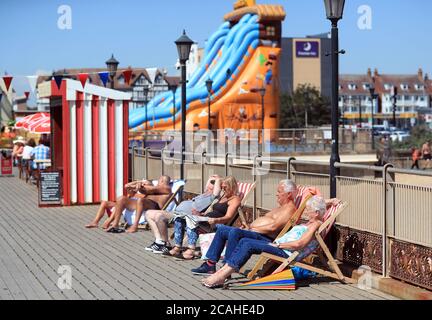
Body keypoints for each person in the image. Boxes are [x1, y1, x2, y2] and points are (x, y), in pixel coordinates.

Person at [201, 196, 332, 288]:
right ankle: (223, 272)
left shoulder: (315, 225)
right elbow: (318, 206)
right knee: (245, 240)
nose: (306, 211)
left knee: (248, 244)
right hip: (279, 246)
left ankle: (221, 275)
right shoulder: (310, 221)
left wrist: (279, 245)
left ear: (316, 213)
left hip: (285, 251)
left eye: (309, 210)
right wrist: (331, 201)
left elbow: (300, 244)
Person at [191, 179, 298, 276]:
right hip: (256, 232)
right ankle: (210, 264)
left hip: (265, 238)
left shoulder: (289, 210)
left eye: (279, 192)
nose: (276, 194)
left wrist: (251, 229)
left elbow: (273, 228)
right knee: (222, 229)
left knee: (235, 232)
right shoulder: (280, 208)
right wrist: (249, 226)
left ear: (288, 194)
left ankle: (225, 268)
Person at [167, 176, 241, 260]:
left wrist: (216, 220)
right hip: (206, 219)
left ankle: (191, 251)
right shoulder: (223, 196)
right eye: (222, 187)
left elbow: (228, 217)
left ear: (232, 186)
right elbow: (213, 210)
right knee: (179, 219)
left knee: (192, 221)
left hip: (215, 223)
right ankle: (177, 247)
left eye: (225, 187)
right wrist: (201, 214)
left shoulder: (235, 200)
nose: (223, 189)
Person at [144, 175, 222, 255]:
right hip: (177, 213)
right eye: (210, 182)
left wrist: (218, 179)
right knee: (148, 213)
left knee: (159, 216)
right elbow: (207, 186)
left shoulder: (212, 197)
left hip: (184, 216)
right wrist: (211, 178)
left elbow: (217, 190)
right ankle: (159, 241)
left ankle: (165, 244)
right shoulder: (204, 194)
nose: (210, 184)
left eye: (213, 182)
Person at [85, 176, 172, 233]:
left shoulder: (167, 188)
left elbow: (152, 189)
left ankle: (135, 226)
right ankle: (115, 224)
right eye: (160, 180)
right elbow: (137, 189)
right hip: (144, 202)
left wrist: (140, 186)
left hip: (154, 206)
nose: (159, 181)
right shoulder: (154, 188)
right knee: (121, 199)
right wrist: (138, 185)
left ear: (163, 181)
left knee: (141, 200)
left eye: (161, 180)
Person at [85, 179, 153, 229]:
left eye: (145, 184)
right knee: (104, 202)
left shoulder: (147, 194)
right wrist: (139, 182)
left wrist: (143, 186)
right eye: (143, 184)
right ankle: (95, 222)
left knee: (121, 202)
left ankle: (109, 221)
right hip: (126, 206)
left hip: (134, 208)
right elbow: (126, 186)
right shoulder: (137, 192)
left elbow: (141, 200)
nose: (143, 185)